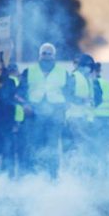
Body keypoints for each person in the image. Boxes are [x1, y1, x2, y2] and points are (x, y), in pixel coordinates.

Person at [16, 43, 73, 177]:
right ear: (39, 55)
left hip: (55, 114)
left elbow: (70, 92)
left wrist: (66, 105)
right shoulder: (29, 71)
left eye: (49, 53)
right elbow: (19, 92)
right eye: (44, 53)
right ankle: (33, 176)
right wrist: (25, 104)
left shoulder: (63, 72)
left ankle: (51, 177)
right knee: (33, 145)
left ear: (54, 56)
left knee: (52, 146)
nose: (46, 56)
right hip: (34, 114)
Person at [64, 54, 96, 162]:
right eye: (87, 65)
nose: (89, 68)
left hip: (84, 118)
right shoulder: (74, 77)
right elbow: (67, 95)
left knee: (83, 147)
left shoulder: (88, 79)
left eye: (90, 66)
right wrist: (81, 101)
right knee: (76, 146)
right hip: (74, 117)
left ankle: (80, 170)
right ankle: (71, 170)